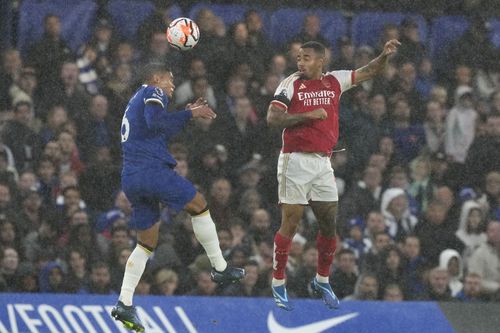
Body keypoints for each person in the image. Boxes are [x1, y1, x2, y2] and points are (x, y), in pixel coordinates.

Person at [266, 39, 400, 311]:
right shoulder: (290, 83)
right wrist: (307, 115)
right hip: (295, 160)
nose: (300, 62)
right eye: (299, 57)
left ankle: (322, 279)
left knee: (329, 225)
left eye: (305, 58)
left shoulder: (335, 81)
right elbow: (272, 118)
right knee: (291, 223)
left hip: (323, 163)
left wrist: (384, 55)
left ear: (320, 61)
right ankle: (278, 281)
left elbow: (369, 71)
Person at [110, 63, 245, 332]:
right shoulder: (152, 91)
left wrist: (185, 116)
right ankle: (219, 266)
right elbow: (155, 121)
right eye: (170, 80)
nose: (172, 86)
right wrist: (190, 112)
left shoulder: (133, 101)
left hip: (131, 177)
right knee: (200, 206)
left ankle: (124, 302)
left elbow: (157, 128)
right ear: (156, 78)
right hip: (151, 170)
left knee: (146, 243)